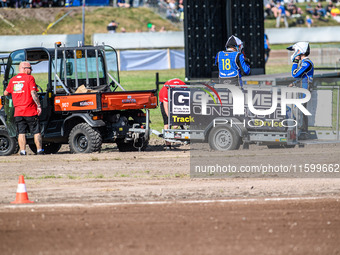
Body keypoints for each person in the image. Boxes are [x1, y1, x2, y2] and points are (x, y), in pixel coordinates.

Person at [3, 62, 43, 155]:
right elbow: (33, 93)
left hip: (18, 112)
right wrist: (39, 105)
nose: (31, 70)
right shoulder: (30, 78)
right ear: (24, 68)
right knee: (36, 132)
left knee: (21, 132)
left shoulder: (12, 80)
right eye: (30, 68)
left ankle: (23, 151)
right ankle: (39, 150)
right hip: (30, 111)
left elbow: (5, 93)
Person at [287, 42, 314, 140]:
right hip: (302, 89)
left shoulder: (307, 63)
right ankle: (301, 131)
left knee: (300, 110)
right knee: (299, 110)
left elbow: (295, 74)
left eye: (295, 51)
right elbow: (300, 77)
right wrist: (294, 83)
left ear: (300, 51)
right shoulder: (304, 63)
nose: (294, 53)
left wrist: (295, 62)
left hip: (305, 90)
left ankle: (303, 132)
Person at [158, 78, 186, 150]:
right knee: (167, 123)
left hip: (178, 100)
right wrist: (172, 120)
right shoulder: (165, 91)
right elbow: (166, 107)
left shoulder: (184, 87)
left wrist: (179, 120)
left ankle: (182, 128)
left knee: (182, 117)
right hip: (165, 101)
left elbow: (186, 106)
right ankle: (168, 145)